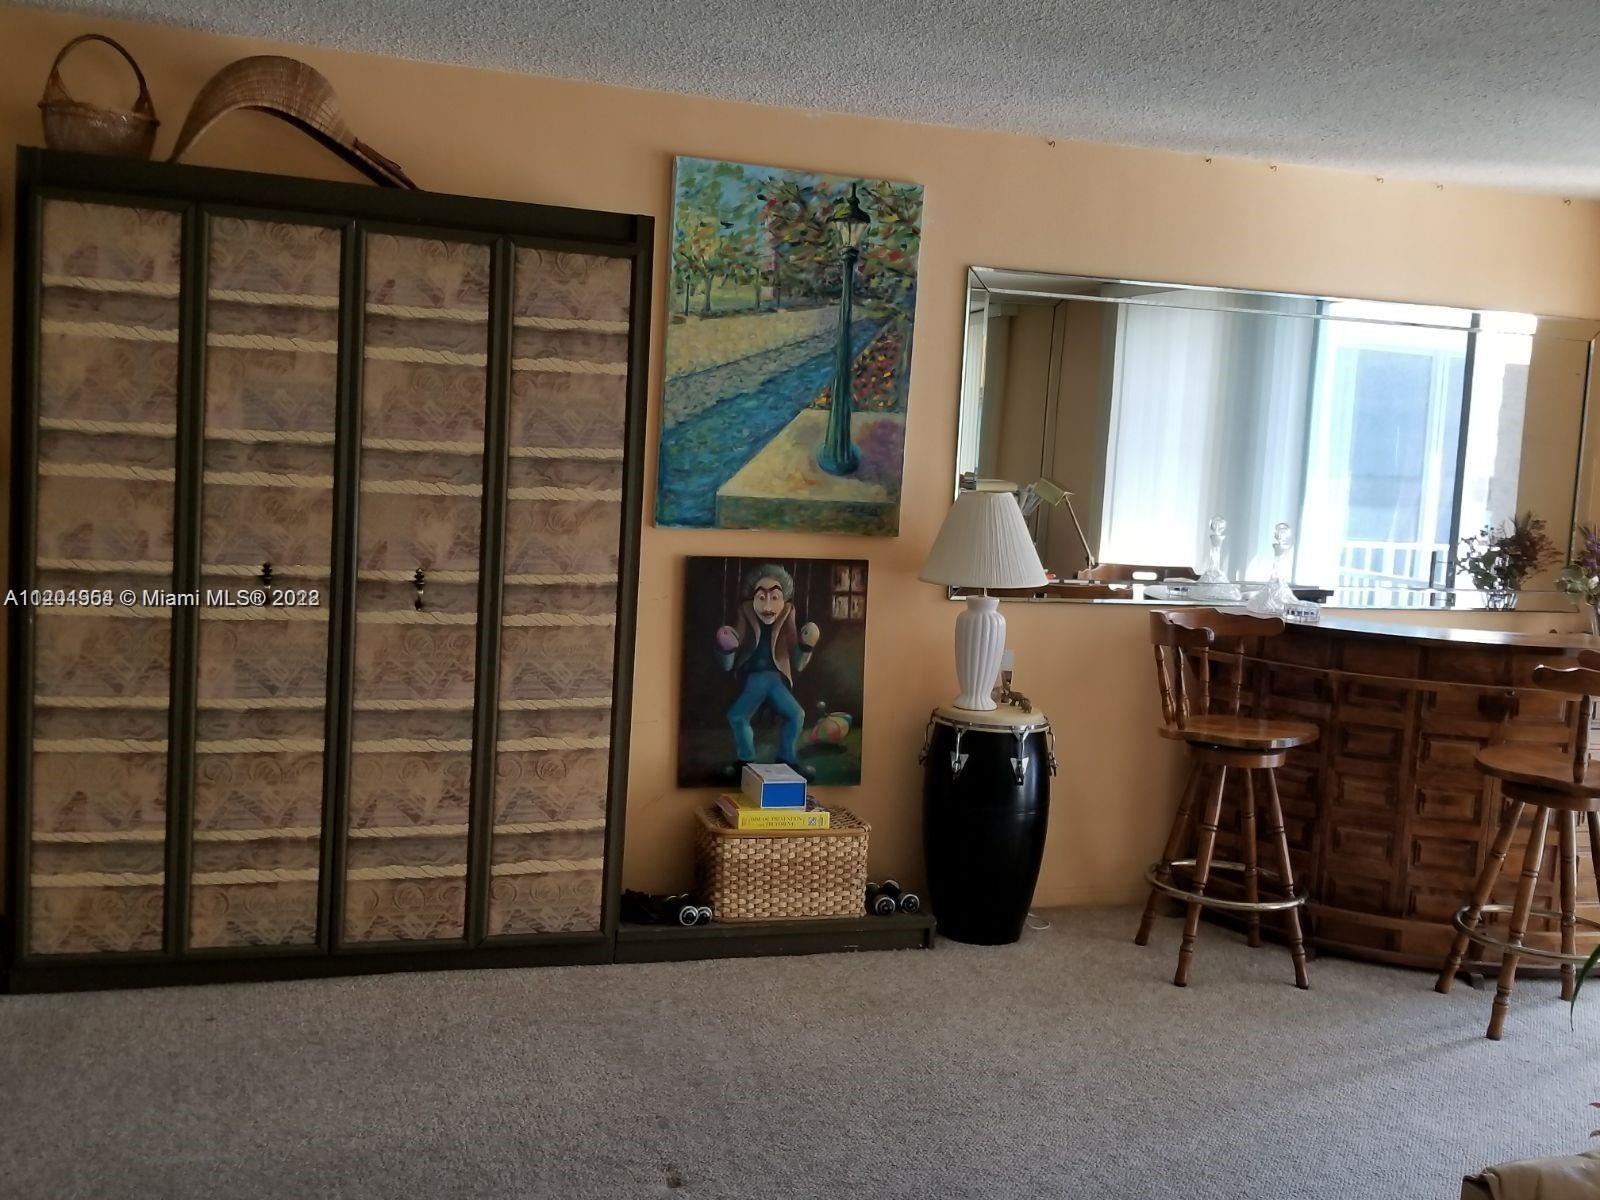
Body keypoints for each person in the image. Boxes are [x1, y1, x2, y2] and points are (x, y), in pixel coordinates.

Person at [714, 563, 820, 776]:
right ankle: (745, 761)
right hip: (754, 677)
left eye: (775, 597)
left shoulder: (788, 614)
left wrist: (806, 645)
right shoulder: (745, 612)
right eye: (762, 597)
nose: (768, 605)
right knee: (738, 716)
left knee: (796, 715)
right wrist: (727, 647)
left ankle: (787, 759)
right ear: (753, 597)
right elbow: (735, 645)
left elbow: (796, 657)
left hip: (775, 679)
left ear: (784, 599)